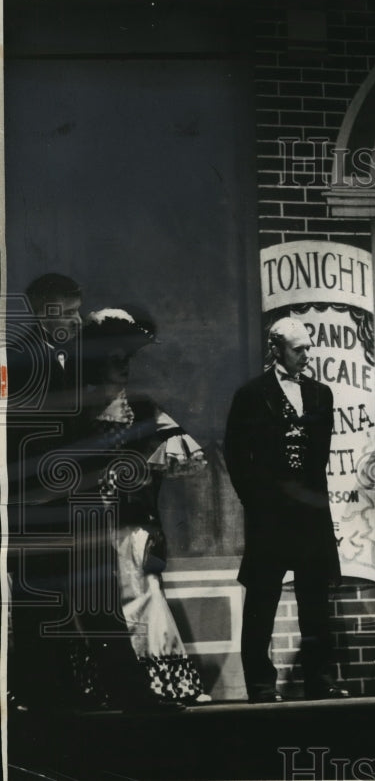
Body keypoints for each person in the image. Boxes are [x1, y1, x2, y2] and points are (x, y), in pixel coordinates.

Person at [71, 307, 207, 706]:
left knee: (140, 593)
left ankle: (151, 683)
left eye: (128, 360)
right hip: (88, 524)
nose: (124, 368)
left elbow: (187, 455)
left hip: (130, 526)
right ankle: (101, 683)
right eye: (116, 361)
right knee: (96, 602)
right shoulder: (77, 411)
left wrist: (139, 469)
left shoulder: (143, 410)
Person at [224, 317, 348, 703]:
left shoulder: (321, 394)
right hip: (269, 516)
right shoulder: (250, 395)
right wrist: (256, 502)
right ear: (276, 349)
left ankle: (319, 681)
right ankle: (260, 686)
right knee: (262, 600)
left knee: (315, 602)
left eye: (309, 347)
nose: (307, 356)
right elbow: (234, 454)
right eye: (299, 349)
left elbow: (319, 456)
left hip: (309, 513)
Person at [6, 273, 83, 711]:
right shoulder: (16, 359)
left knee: (62, 594)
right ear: (41, 312)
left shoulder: (72, 358)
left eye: (77, 312)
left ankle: (59, 687)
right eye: (67, 313)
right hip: (31, 501)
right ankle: (37, 691)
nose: (76, 322)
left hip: (65, 500)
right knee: (36, 597)